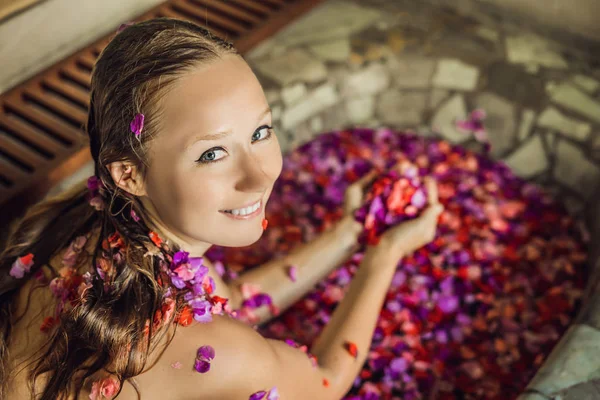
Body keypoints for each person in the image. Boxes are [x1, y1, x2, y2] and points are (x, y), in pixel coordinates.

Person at [0, 18, 443, 399]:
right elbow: (325, 382)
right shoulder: (218, 355)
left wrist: (351, 233)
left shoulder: (92, 219)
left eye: (260, 131)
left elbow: (227, 301)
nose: (260, 175)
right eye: (211, 154)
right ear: (130, 174)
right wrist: (384, 255)